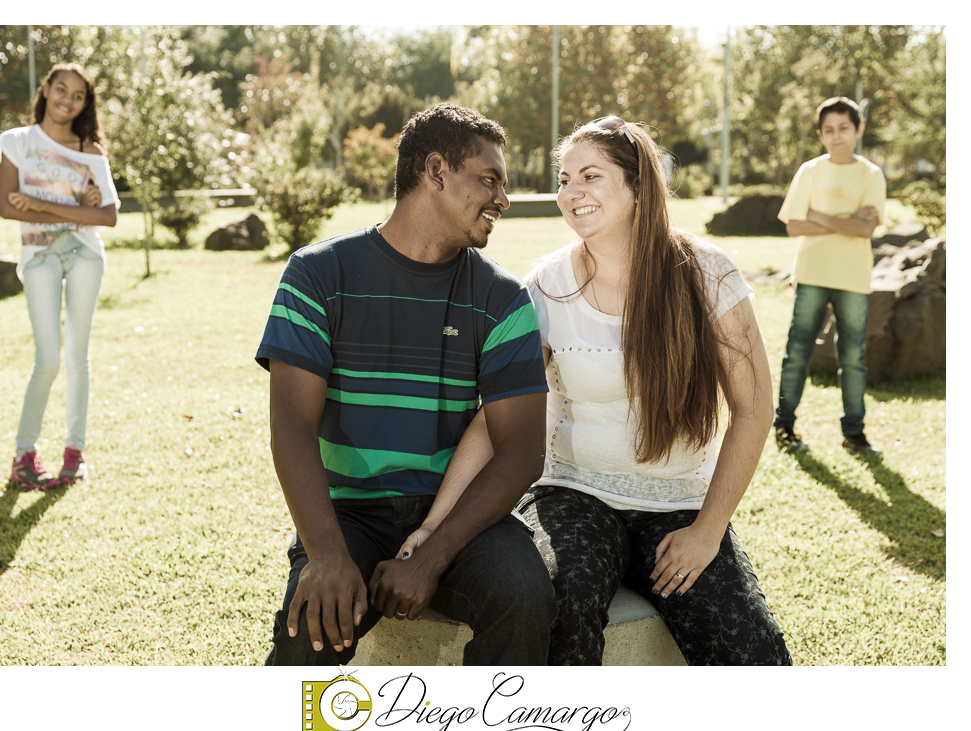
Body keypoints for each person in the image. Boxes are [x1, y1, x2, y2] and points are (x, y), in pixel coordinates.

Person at [402, 116, 792, 666]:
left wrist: (707, 532)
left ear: (638, 185)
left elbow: (753, 408)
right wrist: (432, 525)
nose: (571, 193)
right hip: (573, 494)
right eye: (563, 180)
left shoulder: (708, 273)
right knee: (567, 599)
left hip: (679, 502)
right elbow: (498, 420)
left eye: (590, 176)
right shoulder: (545, 287)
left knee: (748, 648)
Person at [255, 103, 555, 666]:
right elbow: (291, 427)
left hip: (458, 514)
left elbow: (522, 453)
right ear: (436, 171)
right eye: (489, 180)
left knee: (524, 593)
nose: (503, 199)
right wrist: (325, 555)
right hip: (347, 514)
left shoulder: (503, 299)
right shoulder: (318, 274)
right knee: (309, 627)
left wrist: (431, 555)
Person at [0, 62, 119, 490]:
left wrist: (40, 205)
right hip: (40, 256)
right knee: (47, 358)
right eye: (60, 88)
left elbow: (108, 215)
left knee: (77, 356)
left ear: (86, 104)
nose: (67, 99)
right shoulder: (16, 142)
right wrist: (73, 210)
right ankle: (24, 457)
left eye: (78, 94)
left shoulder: (90, 151)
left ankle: (74, 455)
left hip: (84, 253)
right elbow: (9, 207)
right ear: (45, 89)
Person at [773, 96, 886, 456]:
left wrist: (818, 216)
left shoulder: (871, 174)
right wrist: (848, 222)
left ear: (858, 130)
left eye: (844, 129)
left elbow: (867, 230)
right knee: (797, 353)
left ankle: (854, 432)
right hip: (812, 274)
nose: (837, 136)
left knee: (852, 357)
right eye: (829, 131)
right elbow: (793, 225)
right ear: (821, 135)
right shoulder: (809, 171)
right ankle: (784, 426)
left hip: (853, 278)